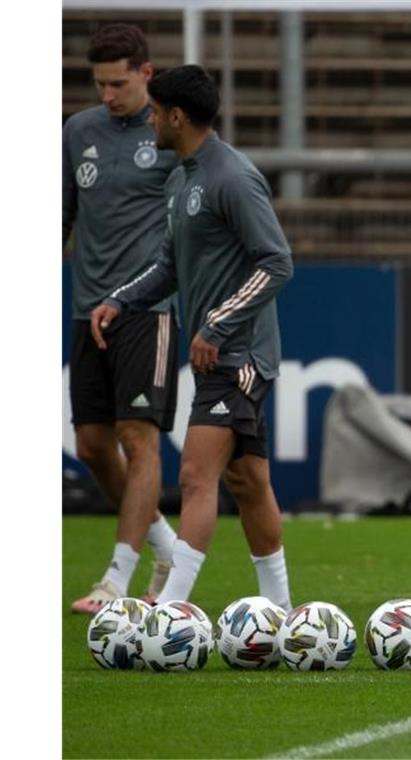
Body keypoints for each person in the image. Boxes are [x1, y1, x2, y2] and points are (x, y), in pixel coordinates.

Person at [90, 65, 294, 611]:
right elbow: (169, 264)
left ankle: (171, 609)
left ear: (176, 116)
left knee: (196, 475)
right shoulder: (181, 177)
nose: (149, 120)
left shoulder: (233, 177)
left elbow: (276, 263)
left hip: (240, 354)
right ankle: (279, 610)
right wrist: (120, 298)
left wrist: (215, 325)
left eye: (154, 112)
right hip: (217, 352)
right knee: (249, 482)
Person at [64, 24, 179, 613]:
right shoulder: (78, 131)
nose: (108, 96)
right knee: (90, 445)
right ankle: (166, 545)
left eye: (118, 83)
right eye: (99, 84)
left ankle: (116, 580)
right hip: (87, 310)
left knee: (140, 440)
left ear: (146, 74)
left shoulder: (168, 132)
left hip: (146, 309)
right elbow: (63, 216)